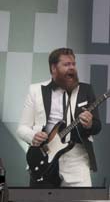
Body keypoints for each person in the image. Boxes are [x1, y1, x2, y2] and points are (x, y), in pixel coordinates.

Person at [17, 48, 101, 187]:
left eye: (74, 64)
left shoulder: (85, 90)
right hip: (44, 158)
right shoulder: (36, 90)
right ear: (54, 68)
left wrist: (89, 124)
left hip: (76, 159)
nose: (72, 68)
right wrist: (33, 136)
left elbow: (97, 126)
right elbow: (21, 128)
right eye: (67, 64)